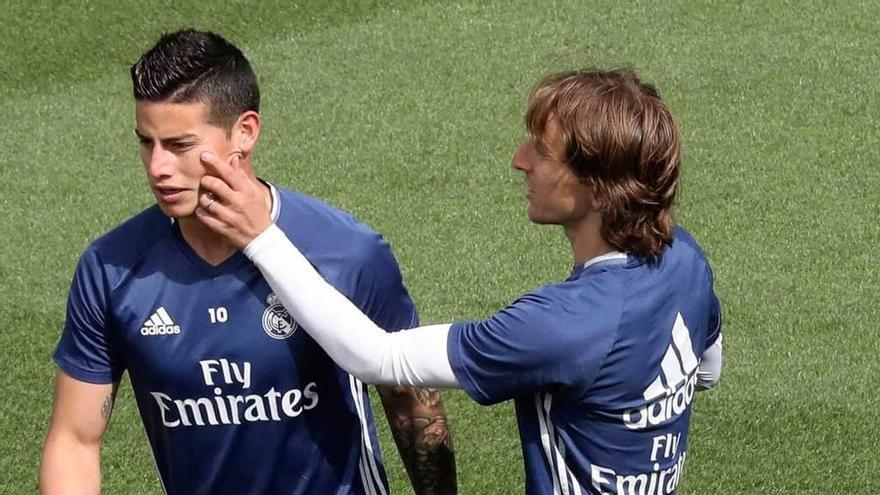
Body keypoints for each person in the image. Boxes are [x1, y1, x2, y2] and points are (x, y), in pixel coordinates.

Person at [199, 69, 723, 494]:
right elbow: (706, 367)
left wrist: (259, 235)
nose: (520, 161)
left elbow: (378, 357)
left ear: (599, 187)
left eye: (542, 151)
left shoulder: (564, 325)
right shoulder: (683, 257)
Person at [40, 29, 456, 495]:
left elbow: (413, 406)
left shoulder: (346, 253)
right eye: (146, 142)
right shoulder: (111, 268)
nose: (157, 166)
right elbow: (75, 439)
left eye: (179, 145)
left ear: (245, 131)